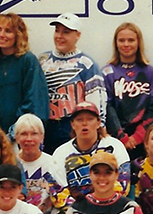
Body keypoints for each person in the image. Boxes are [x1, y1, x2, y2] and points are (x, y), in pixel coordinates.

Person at [39, 13, 106, 153]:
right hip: (46, 126)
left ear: (77, 35)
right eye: (57, 30)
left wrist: (99, 128)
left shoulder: (87, 64)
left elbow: (97, 102)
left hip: (72, 127)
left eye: (66, 32)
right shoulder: (42, 61)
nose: (59, 36)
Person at [101, 22, 153, 159]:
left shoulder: (150, 72)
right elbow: (107, 107)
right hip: (116, 138)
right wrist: (121, 136)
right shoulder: (107, 72)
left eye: (131, 40)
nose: (126, 44)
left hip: (143, 140)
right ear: (116, 43)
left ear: (139, 43)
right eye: (121, 40)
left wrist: (137, 137)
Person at [51, 101, 130, 203]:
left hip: (111, 207)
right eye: (79, 120)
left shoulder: (115, 146)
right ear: (72, 124)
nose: (84, 123)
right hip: (75, 211)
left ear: (98, 123)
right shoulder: (60, 153)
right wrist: (82, 210)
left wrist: (99, 205)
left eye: (90, 119)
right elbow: (57, 193)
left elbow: (123, 184)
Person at [0, 13, 48, 136]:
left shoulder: (28, 61)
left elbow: (34, 101)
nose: (1, 35)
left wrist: (14, 133)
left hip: (23, 135)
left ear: (18, 35)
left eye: (8, 31)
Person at [14, 114, 68, 214]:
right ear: (16, 137)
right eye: (24, 134)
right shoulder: (10, 163)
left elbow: (62, 199)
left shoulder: (52, 163)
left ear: (42, 137)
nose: (29, 139)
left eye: (34, 134)